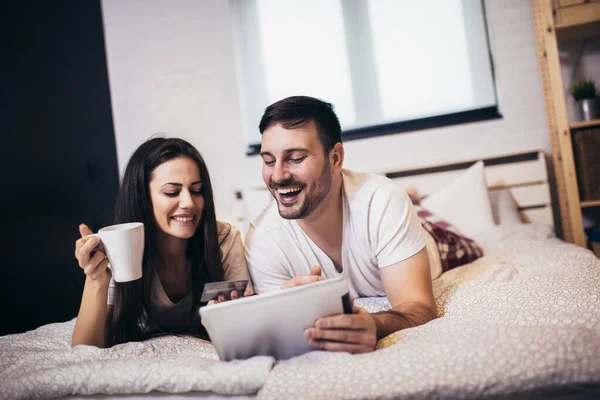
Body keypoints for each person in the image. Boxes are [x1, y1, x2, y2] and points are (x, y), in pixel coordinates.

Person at [245, 96, 436, 354]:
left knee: (439, 226)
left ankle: (418, 202)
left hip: (436, 243)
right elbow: (279, 335)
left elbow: (419, 306)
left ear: (335, 158)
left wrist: (375, 325)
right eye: (269, 161)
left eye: (296, 158)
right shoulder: (262, 239)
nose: (278, 175)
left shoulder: (382, 201)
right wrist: (286, 308)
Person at [72, 137, 251, 348]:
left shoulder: (224, 240)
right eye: (171, 192)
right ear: (142, 198)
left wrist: (225, 319)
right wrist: (95, 278)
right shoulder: (121, 245)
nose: (189, 203)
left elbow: (247, 328)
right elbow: (84, 349)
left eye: (197, 190)